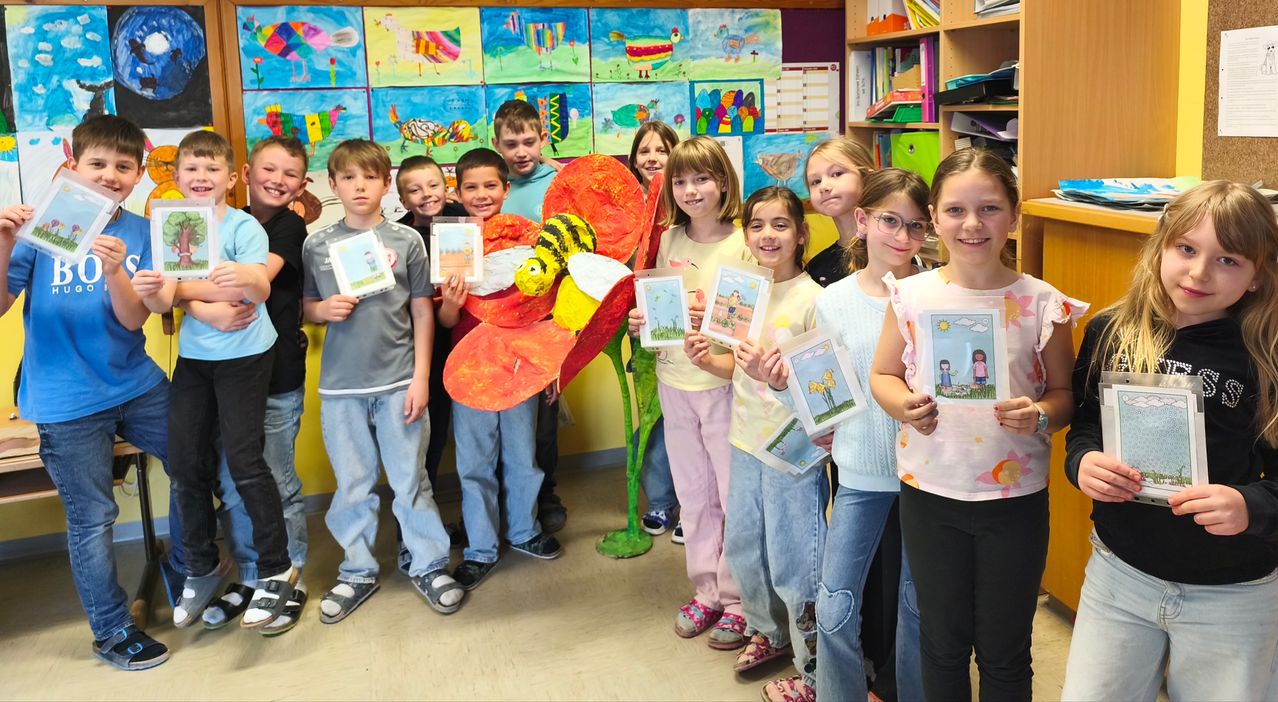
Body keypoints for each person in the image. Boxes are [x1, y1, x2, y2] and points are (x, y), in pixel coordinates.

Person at [869, 148, 1087, 701]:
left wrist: (1040, 414)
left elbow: (1065, 395)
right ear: (934, 218)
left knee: (1006, 646)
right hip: (931, 494)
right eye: (955, 210)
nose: (972, 224)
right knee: (941, 642)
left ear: (1014, 216)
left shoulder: (1043, 303)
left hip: (1014, 500)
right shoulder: (912, 296)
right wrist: (902, 405)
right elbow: (883, 374)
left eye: (989, 208)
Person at [1060, 181, 1278, 701]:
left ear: (1257, 276)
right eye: (1186, 249)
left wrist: (1250, 503)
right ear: (1160, 247)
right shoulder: (1112, 330)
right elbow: (1087, 423)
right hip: (1120, 575)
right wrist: (1083, 461)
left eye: (1228, 260)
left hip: (1234, 592)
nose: (1199, 273)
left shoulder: (1267, 357)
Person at [0, 115, 173, 669]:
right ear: (71, 167)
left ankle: (193, 565)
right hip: (64, 398)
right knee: (93, 515)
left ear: (139, 174)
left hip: (137, 383)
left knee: (202, 456)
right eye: (97, 163)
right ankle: (111, 629)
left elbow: (130, 322)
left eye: (124, 166)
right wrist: (4, 241)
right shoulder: (42, 227)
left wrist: (117, 270)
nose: (110, 175)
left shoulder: (144, 232)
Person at [768, 169, 929, 702]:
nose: (902, 237)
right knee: (836, 604)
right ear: (861, 221)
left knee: (914, 607)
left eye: (915, 225)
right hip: (859, 472)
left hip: (924, 477)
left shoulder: (933, 295)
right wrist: (789, 393)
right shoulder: (832, 300)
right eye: (889, 221)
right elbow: (822, 386)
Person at [132, 130, 298, 631]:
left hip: (247, 355)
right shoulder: (169, 226)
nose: (200, 178)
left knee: (246, 461)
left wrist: (199, 287)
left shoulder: (245, 226)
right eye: (191, 170)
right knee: (184, 464)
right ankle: (201, 567)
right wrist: (171, 293)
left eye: (211, 170)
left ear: (231, 177)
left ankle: (276, 568)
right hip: (195, 359)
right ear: (175, 177)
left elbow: (257, 289)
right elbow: (162, 300)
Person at [301, 139, 462, 622]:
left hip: (399, 385)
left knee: (411, 480)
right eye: (348, 177)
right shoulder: (317, 244)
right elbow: (305, 306)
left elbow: (422, 312)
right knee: (353, 485)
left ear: (385, 183)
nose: (359, 186)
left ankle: (430, 563)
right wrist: (320, 310)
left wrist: (421, 380)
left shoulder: (407, 241)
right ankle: (357, 570)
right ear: (332, 185)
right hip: (342, 390)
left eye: (369, 177)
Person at [627, 136, 751, 650]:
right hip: (674, 382)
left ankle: (741, 599)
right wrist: (642, 321)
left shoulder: (744, 242)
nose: (690, 190)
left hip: (721, 387)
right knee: (694, 497)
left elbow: (748, 324)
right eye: (679, 181)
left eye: (701, 178)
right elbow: (660, 305)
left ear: (724, 181)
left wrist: (714, 323)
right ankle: (706, 590)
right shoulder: (668, 239)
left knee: (730, 497)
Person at [190, 136, 312, 635]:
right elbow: (186, 279)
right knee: (234, 483)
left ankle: (291, 574)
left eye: (289, 174)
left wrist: (188, 292)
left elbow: (249, 283)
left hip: (277, 374)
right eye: (268, 169)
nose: (277, 180)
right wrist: (195, 300)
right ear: (244, 172)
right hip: (227, 372)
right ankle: (252, 574)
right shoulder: (221, 222)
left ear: (302, 185)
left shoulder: (287, 225)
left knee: (276, 480)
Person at [710, 186, 824, 702]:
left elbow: (826, 395)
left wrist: (774, 376)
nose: (768, 235)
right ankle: (770, 633)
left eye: (781, 225)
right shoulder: (741, 290)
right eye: (757, 225)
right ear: (745, 234)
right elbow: (731, 366)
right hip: (745, 438)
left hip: (794, 450)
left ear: (801, 234)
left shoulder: (815, 301)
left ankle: (815, 671)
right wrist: (699, 352)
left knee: (794, 563)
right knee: (743, 547)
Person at [440, 147, 562, 593]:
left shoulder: (527, 236)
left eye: (491, 185)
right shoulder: (452, 239)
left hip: (519, 366)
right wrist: (451, 304)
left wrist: (550, 368)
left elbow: (545, 304)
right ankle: (480, 549)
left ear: (506, 189)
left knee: (521, 456)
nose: (481, 194)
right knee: (474, 462)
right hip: (469, 368)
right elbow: (446, 320)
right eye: (470, 186)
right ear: (458, 191)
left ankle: (525, 530)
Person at [491, 99, 567, 533]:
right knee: (502, 415)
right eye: (510, 143)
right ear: (496, 144)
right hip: (499, 316)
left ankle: (547, 492)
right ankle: (508, 498)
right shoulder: (492, 187)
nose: (521, 151)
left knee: (543, 415)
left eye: (529, 141)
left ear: (543, 139)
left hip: (547, 318)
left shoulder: (558, 183)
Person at [394, 155, 468, 569]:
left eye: (433, 186)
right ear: (402, 196)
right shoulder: (400, 236)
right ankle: (416, 532)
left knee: (477, 441)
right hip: (426, 352)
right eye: (415, 190)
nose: (426, 196)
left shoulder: (466, 220)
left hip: (471, 341)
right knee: (429, 442)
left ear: (447, 185)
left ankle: (481, 522)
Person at [627, 121, 683, 541]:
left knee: (685, 418)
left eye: (661, 151)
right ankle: (662, 502)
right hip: (642, 327)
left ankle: (692, 507)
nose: (651, 158)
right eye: (643, 151)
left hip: (687, 331)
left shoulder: (686, 205)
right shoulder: (628, 211)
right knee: (651, 418)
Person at [803, 137, 876, 287]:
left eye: (836, 174)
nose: (824, 186)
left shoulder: (892, 251)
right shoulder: (816, 268)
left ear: (867, 177)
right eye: (815, 182)